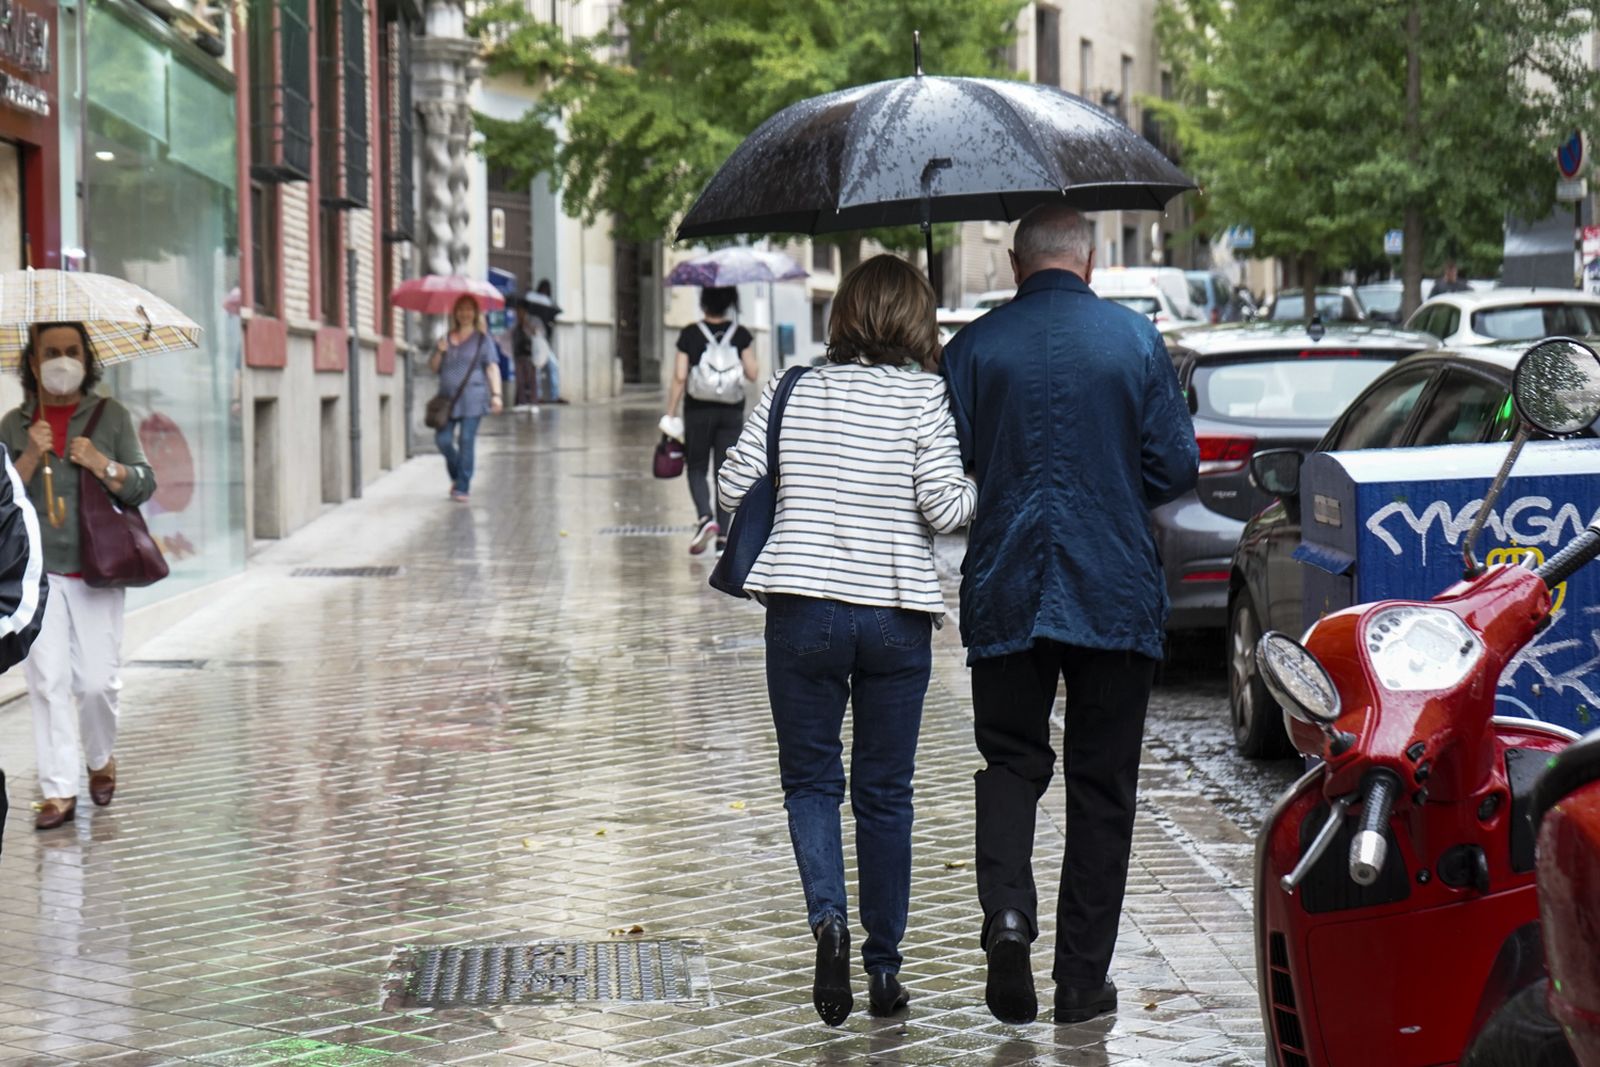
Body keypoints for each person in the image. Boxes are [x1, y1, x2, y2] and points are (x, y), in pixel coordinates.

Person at [941, 204, 1199, 1026]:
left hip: (1008, 586)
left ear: (1017, 266)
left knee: (1011, 762)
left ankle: (1008, 916)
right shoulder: (1133, 341)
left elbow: (945, 473)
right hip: (1114, 589)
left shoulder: (975, 347)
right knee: (1101, 788)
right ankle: (1081, 980)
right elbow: (1174, 467)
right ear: (1088, 263)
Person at [718, 255, 977, 1027]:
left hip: (801, 611)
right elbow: (942, 505)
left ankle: (827, 921)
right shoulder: (927, 395)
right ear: (914, 320)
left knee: (811, 783)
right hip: (895, 616)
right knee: (885, 794)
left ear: (846, 317)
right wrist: (979, 481)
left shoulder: (790, 388)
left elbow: (735, 486)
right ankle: (885, 968)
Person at [0, 322, 158, 831]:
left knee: (95, 683)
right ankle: (58, 791)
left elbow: (142, 484)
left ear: (87, 361)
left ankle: (100, 758)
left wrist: (102, 464)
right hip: (34, 576)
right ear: (32, 361)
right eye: (51, 352)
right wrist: (28, 455)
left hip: (96, 570)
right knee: (46, 684)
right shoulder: (13, 424)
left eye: (71, 351)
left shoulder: (111, 417)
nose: (61, 361)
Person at [666, 286, 755, 554]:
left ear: (703, 302)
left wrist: (669, 412)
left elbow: (680, 376)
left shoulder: (690, 333)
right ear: (729, 304)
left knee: (695, 467)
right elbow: (752, 372)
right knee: (724, 470)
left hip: (697, 411)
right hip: (731, 411)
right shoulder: (741, 334)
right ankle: (724, 539)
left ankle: (705, 518)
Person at [429, 296, 502, 502]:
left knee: (466, 440)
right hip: (447, 401)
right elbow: (434, 368)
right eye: (460, 309)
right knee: (442, 440)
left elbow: (491, 367)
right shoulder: (445, 338)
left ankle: (462, 486)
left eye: (469, 309)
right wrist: (439, 352)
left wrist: (496, 395)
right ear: (455, 313)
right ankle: (458, 475)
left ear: (475, 313)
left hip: (473, 398)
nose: (464, 313)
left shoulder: (482, 339)